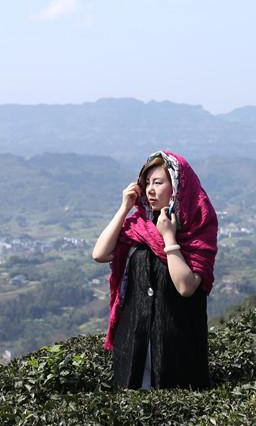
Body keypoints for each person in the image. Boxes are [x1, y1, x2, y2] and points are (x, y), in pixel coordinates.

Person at [92, 150, 218, 390]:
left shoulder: (198, 231)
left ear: (178, 187)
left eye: (158, 183)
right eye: (146, 183)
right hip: (134, 343)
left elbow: (186, 287)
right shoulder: (139, 226)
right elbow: (99, 254)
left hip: (177, 347)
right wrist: (124, 208)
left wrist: (169, 238)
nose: (150, 189)